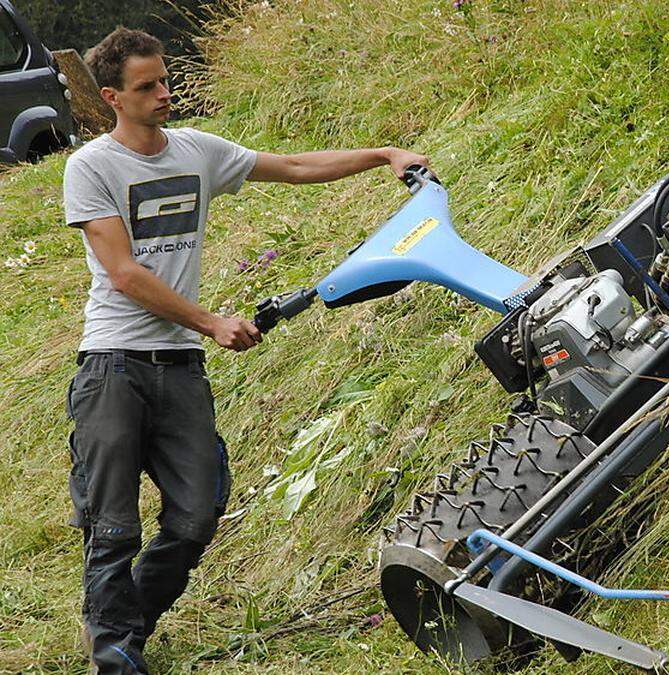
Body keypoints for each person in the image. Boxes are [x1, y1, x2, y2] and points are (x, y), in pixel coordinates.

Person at [62, 27, 428, 674]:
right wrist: (210, 321)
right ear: (114, 97)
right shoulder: (91, 166)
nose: (164, 94)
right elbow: (123, 272)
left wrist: (382, 154)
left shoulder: (197, 150)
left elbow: (289, 167)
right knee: (113, 525)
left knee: (197, 513)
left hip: (178, 367)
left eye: (166, 80)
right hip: (113, 364)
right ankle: (116, 655)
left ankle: (124, 626)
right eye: (147, 87)